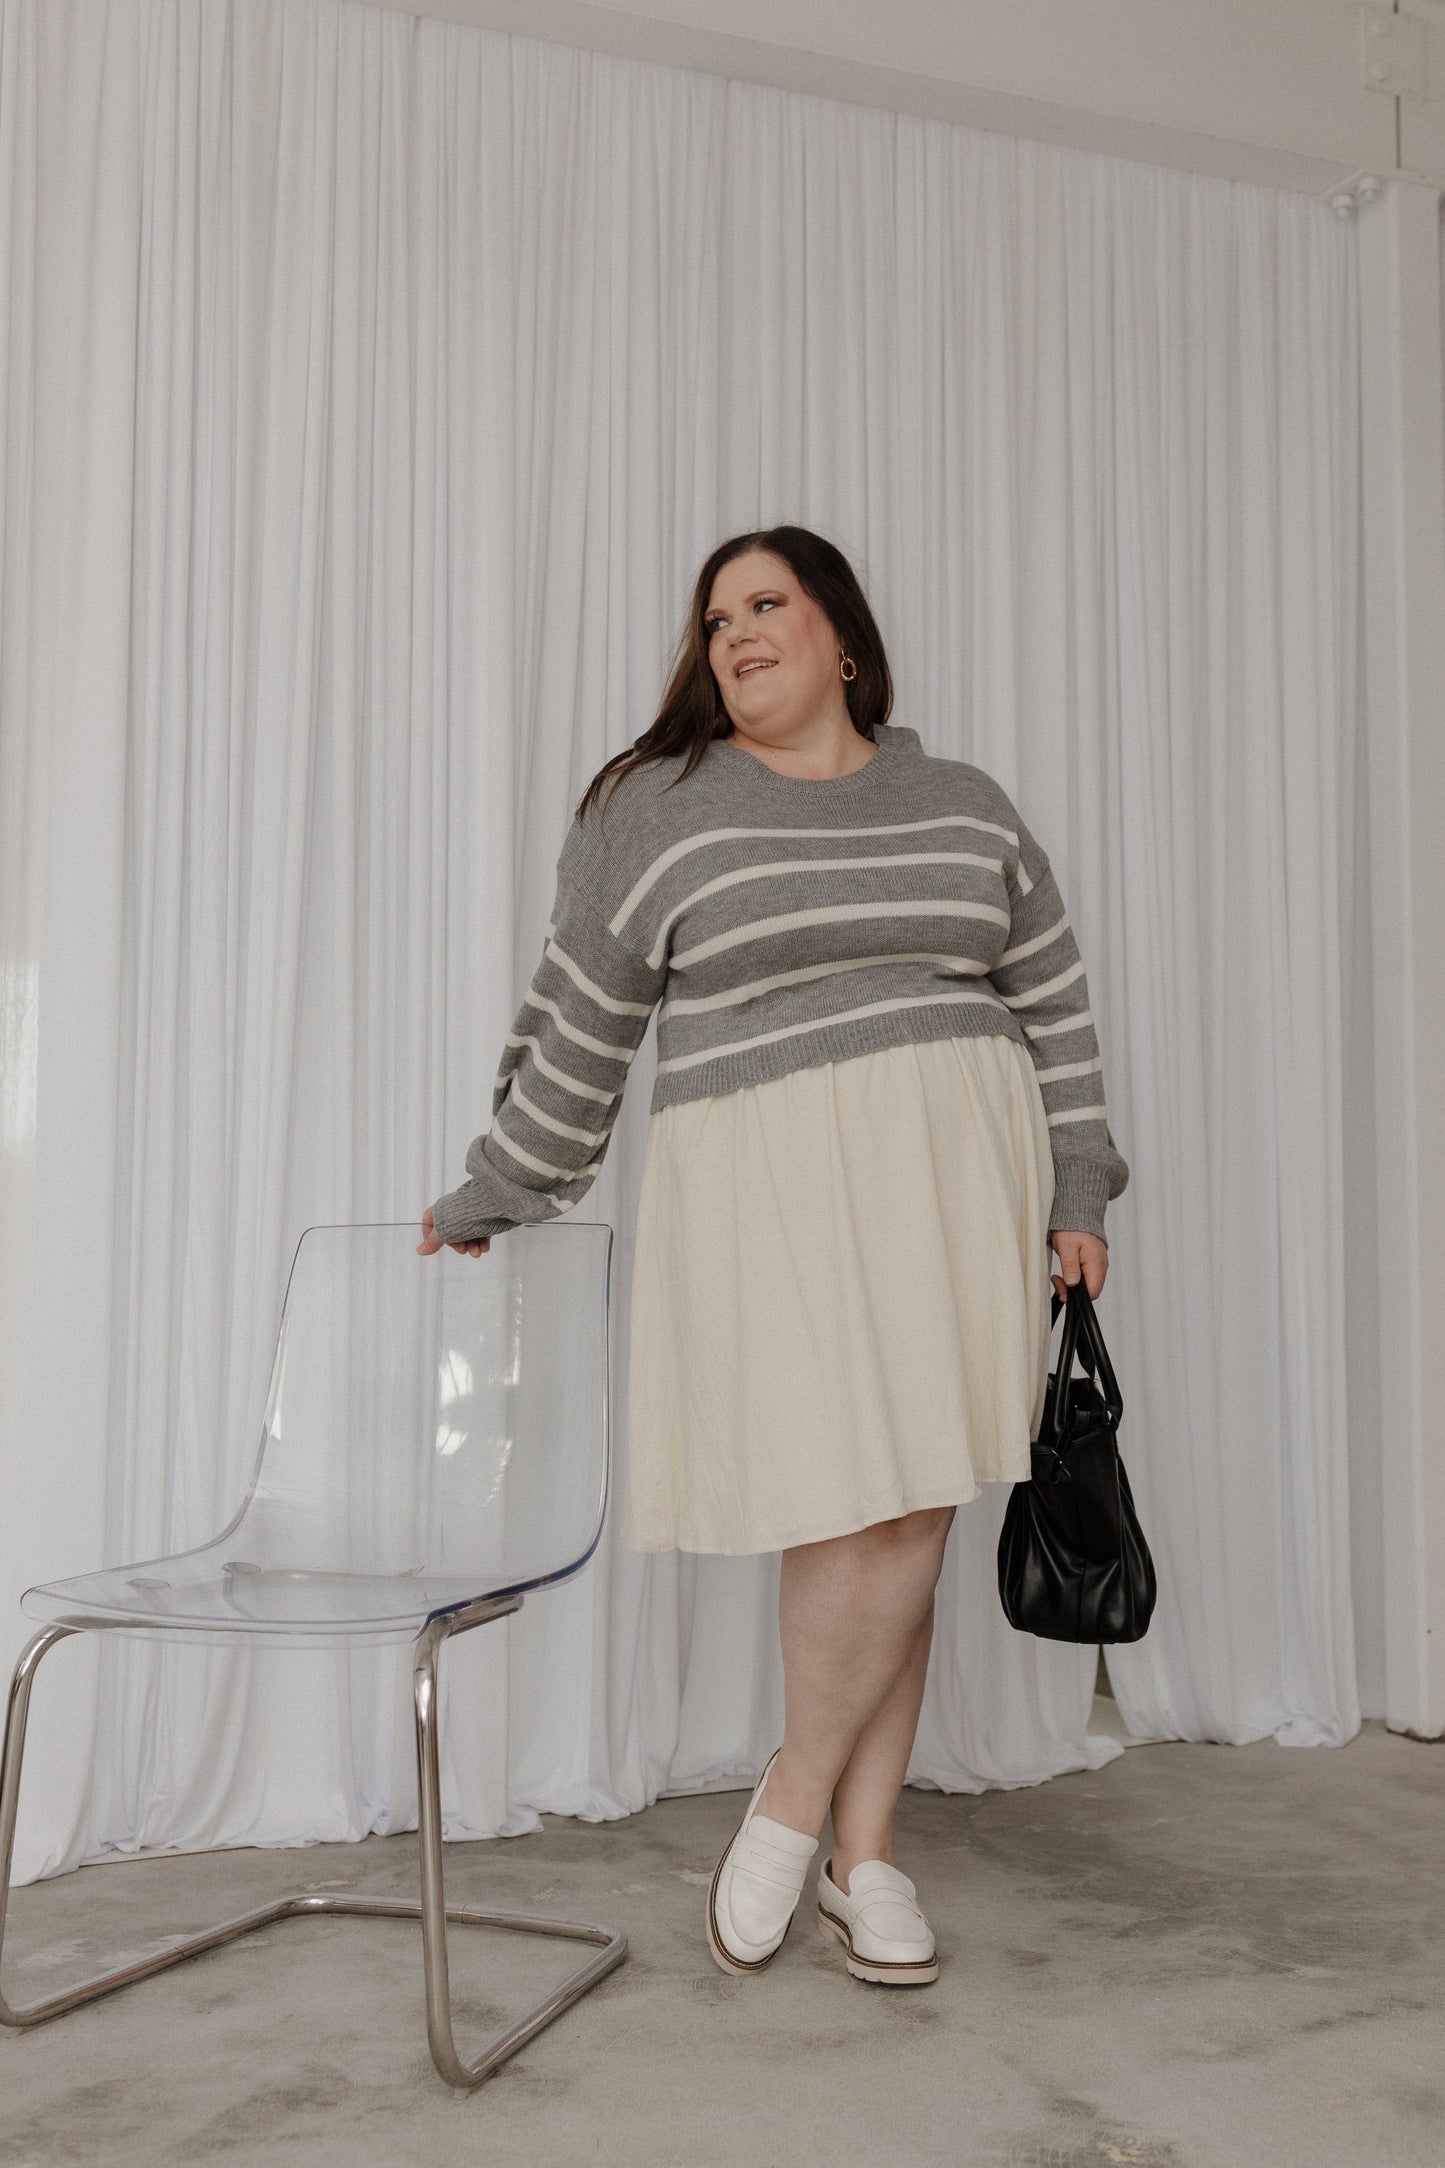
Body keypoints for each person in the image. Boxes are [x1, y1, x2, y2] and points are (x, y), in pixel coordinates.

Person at [417, 524, 1128, 1990]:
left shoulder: (962, 804)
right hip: (770, 1192)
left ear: (840, 635)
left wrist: (1076, 1188)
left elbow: (1049, 1000)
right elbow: (581, 1020)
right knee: (846, 1503)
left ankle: (851, 1848)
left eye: (765, 604)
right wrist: (504, 1180)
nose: (735, 633)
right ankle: (808, 1805)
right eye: (715, 617)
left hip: (954, 1185)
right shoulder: (659, 808)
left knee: (911, 1509)